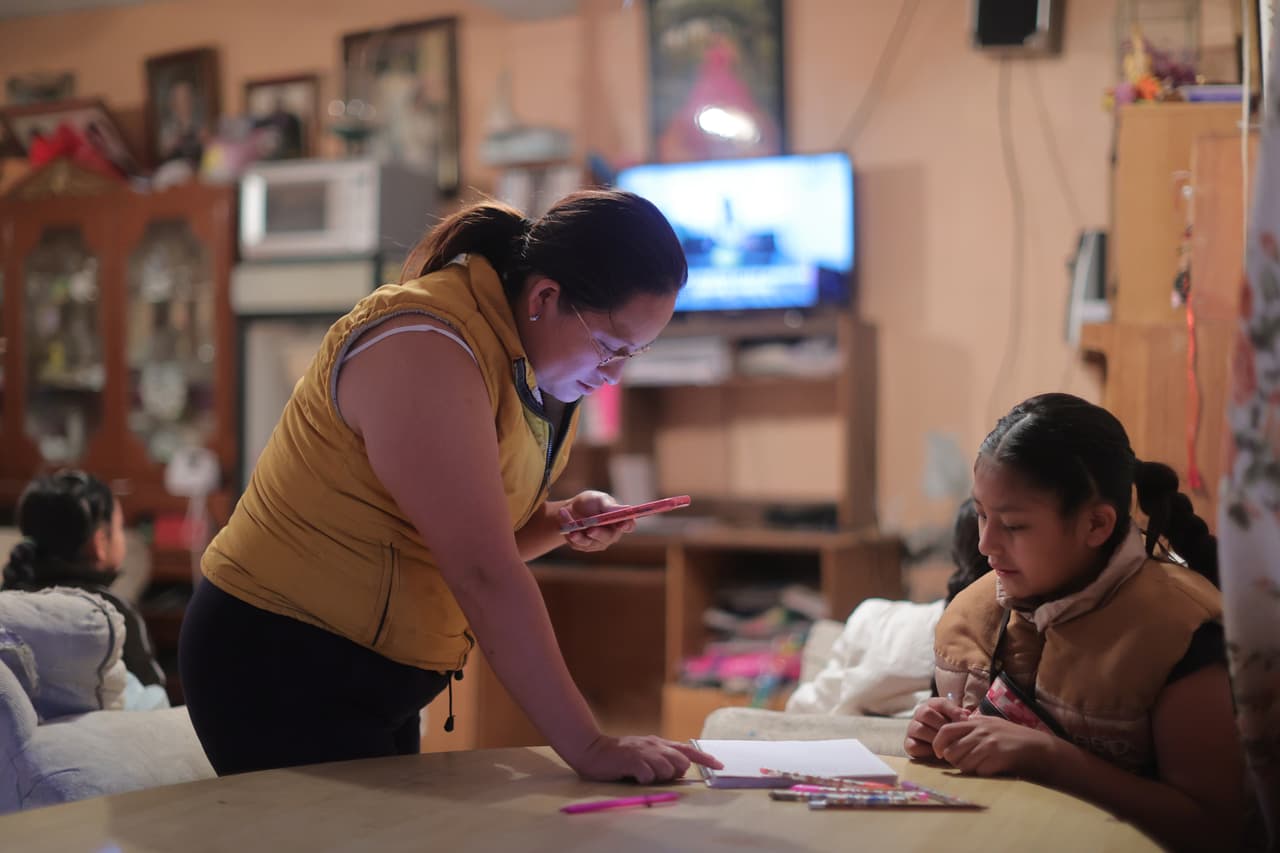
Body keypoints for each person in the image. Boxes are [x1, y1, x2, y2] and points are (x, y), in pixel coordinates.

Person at [179, 189, 722, 782]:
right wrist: (590, 746)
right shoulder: (424, 344)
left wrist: (563, 520)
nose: (616, 373)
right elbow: (482, 571)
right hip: (281, 657)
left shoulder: (522, 362)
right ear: (545, 296)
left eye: (635, 353)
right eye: (611, 347)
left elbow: (472, 540)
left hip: (371, 666)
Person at [904, 393, 1244, 851]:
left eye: (1014, 526)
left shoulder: (1180, 633)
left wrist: (1049, 757)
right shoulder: (970, 615)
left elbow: (1216, 830)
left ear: (1097, 525)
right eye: (981, 515)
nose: (985, 545)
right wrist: (932, 730)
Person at [2, 470, 166, 689]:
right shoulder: (112, 614)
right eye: (119, 527)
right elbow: (154, 693)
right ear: (100, 543)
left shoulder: (10, 600)